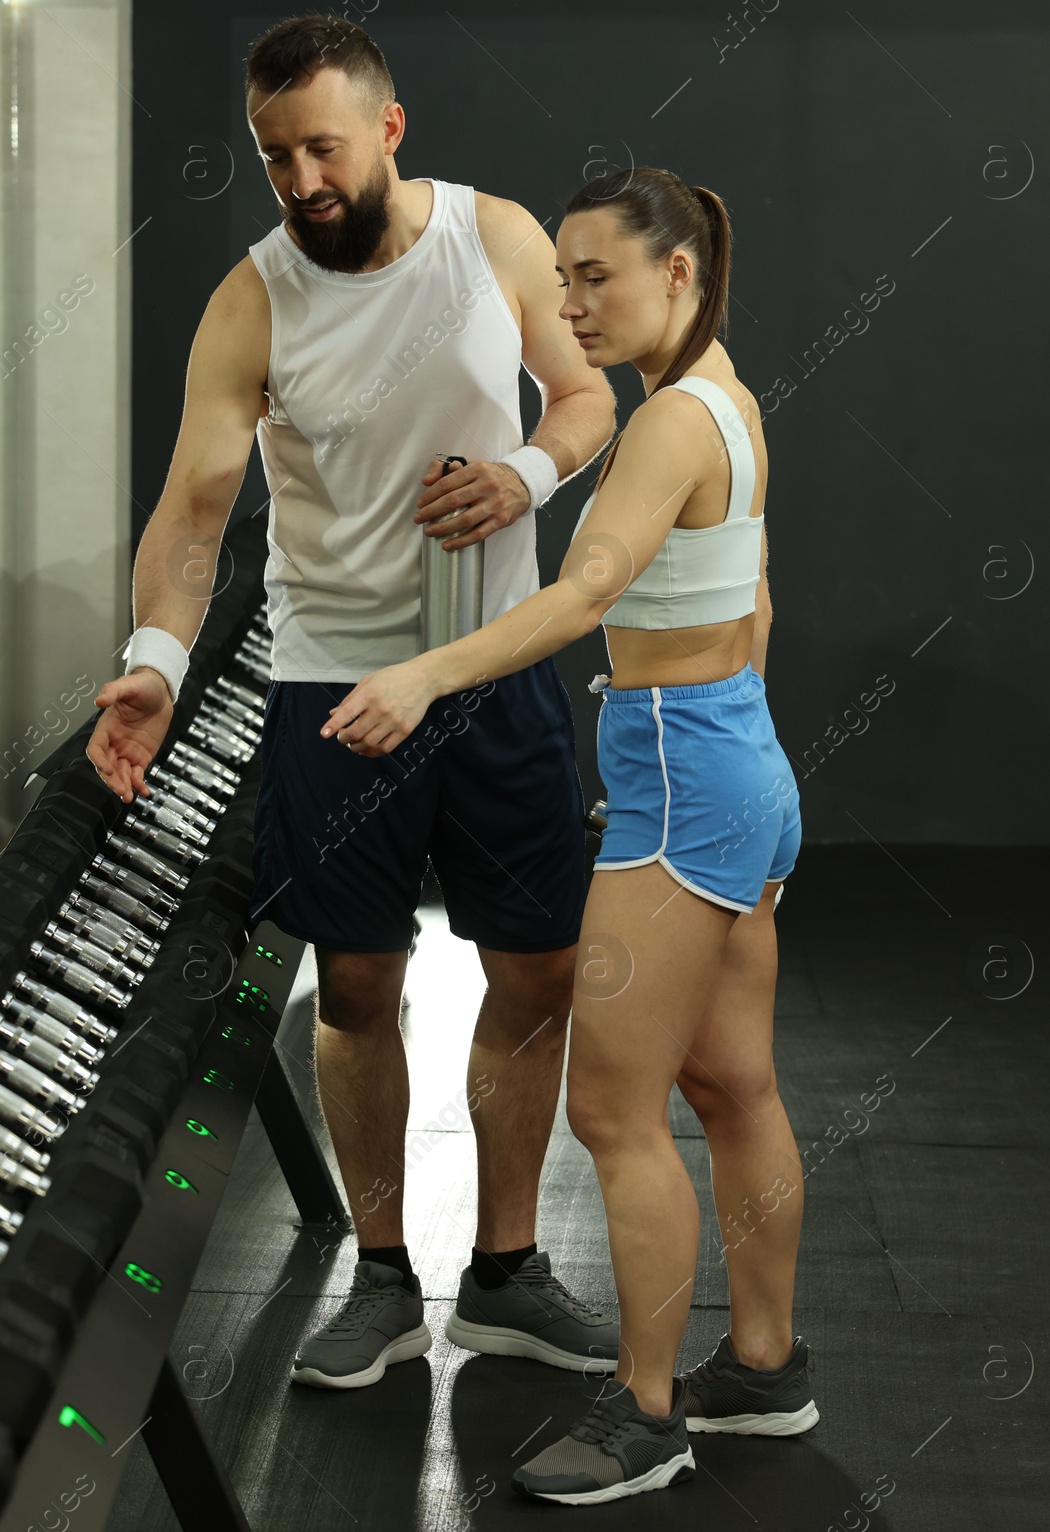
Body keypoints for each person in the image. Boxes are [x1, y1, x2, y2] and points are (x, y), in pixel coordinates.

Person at [85, 15, 625, 1390]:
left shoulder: (494, 239)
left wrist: (527, 476)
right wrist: (152, 657)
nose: (301, 179)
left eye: (324, 146)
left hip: (491, 665)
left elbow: (583, 396)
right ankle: (382, 1277)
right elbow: (195, 508)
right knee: (359, 983)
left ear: (388, 130)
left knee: (539, 970)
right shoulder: (252, 301)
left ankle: (505, 1270)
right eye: (276, 157)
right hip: (334, 684)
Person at [320, 166, 814, 1506]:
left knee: (615, 1109)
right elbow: (752, 598)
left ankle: (647, 1415)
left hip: (681, 786)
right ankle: (764, 1368)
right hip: (739, 762)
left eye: (599, 277)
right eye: (563, 278)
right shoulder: (728, 402)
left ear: (680, 275)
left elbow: (588, 591)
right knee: (732, 1089)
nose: (572, 302)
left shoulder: (663, 431)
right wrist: (737, 753)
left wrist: (430, 673)